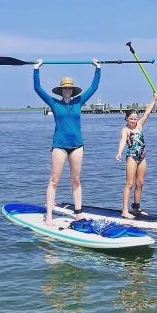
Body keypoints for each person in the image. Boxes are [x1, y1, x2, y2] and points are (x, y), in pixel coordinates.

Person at [34, 59, 100, 226]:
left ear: (73, 90)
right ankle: (49, 215)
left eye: (70, 88)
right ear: (61, 90)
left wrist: (98, 68)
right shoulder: (54, 103)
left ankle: (78, 213)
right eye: (65, 88)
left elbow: (94, 88)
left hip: (77, 145)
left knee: (76, 180)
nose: (67, 91)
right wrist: (36, 69)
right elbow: (38, 89)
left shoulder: (79, 101)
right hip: (59, 145)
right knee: (54, 180)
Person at [116, 93, 157, 218]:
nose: (133, 121)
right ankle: (124, 210)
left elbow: (147, 113)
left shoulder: (139, 126)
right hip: (132, 157)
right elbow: (123, 141)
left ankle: (136, 208)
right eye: (131, 119)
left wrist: (154, 99)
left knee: (140, 183)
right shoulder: (126, 130)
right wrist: (119, 152)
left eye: (135, 118)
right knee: (129, 184)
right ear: (127, 119)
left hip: (142, 157)